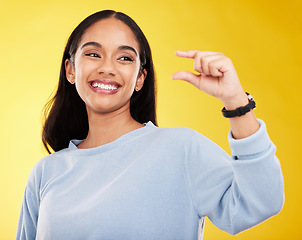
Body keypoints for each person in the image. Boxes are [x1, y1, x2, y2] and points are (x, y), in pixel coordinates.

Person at [16, 10, 284, 240]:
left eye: (125, 58)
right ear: (71, 70)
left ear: (140, 78)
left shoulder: (181, 149)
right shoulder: (46, 173)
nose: (107, 67)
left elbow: (261, 201)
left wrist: (236, 100)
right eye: (93, 54)